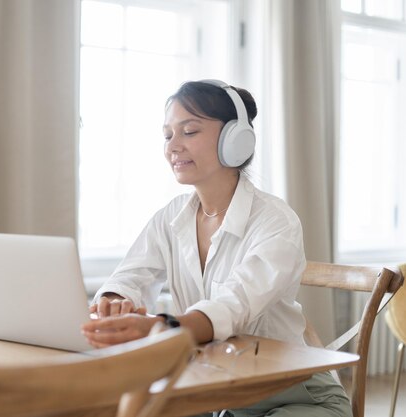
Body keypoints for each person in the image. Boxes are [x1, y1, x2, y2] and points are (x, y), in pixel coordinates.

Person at [81, 80, 352, 417]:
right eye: (168, 135)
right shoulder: (170, 217)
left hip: (293, 396)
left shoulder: (275, 221)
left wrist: (160, 328)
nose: (173, 147)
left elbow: (233, 305)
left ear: (235, 140)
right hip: (214, 391)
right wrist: (113, 303)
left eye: (189, 131)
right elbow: (130, 277)